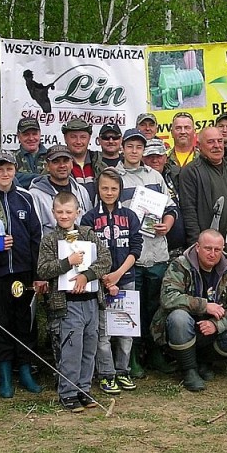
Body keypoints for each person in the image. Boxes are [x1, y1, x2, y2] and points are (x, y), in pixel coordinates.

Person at [0, 151, 45, 398]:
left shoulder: (25, 198)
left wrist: (37, 272)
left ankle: (24, 370)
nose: (4, 174)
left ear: (15, 170)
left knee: (23, 322)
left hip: (22, 273)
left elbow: (36, 237)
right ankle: (3, 374)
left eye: (9, 169)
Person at [38, 192, 112, 412]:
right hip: (67, 304)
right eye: (59, 212)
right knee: (71, 348)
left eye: (68, 212)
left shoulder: (88, 235)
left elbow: (106, 259)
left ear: (77, 213)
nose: (64, 216)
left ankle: (84, 389)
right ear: (53, 213)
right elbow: (43, 269)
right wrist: (67, 263)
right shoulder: (50, 240)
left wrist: (86, 275)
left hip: (90, 300)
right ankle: (68, 392)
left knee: (90, 347)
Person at [151, 230, 227, 392]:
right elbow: (168, 298)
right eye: (207, 248)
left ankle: (203, 361)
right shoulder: (180, 265)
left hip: (209, 329)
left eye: (217, 250)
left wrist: (217, 324)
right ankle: (189, 369)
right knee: (179, 317)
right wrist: (204, 306)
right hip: (180, 328)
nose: (212, 254)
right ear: (197, 247)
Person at [117, 129, 178, 375]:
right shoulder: (114, 177)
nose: (134, 151)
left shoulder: (155, 176)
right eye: (130, 146)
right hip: (131, 256)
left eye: (138, 147)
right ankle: (131, 357)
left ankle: (154, 354)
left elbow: (171, 207)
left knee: (155, 308)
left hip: (156, 253)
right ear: (122, 148)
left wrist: (168, 224)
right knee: (130, 308)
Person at [81, 168, 143, 394]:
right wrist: (105, 277)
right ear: (98, 189)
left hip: (125, 278)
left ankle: (123, 370)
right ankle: (107, 374)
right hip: (100, 281)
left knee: (126, 329)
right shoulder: (89, 218)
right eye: (105, 188)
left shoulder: (130, 216)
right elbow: (86, 252)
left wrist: (118, 274)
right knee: (103, 331)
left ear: (120, 190)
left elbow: (136, 248)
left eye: (114, 188)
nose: (109, 192)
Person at [179, 126, 227, 269]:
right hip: (211, 249)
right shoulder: (190, 172)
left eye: (220, 141)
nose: (217, 146)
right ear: (199, 146)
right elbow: (188, 211)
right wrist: (196, 246)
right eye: (210, 142)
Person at [29, 144, 93, 237]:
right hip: (50, 248)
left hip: (81, 248)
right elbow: (35, 232)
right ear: (47, 166)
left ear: (71, 164)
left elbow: (88, 223)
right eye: (56, 161)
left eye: (66, 161)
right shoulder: (35, 194)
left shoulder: (81, 191)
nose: (62, 165)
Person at [144, 138, 185, 256]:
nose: (155, 160)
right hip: (150, 249)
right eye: (150, 156)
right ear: (143, 158)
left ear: (166, 157)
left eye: (159, 156)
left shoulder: (178, 176)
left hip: (179, 248)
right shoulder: (138, 179)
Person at [62, 117, 106, 203]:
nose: (78, 142)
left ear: (89, 138)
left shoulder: (101, 162)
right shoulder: (57, 165)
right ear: (65, 138)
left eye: (83, 137)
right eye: (73, 137)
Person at [14, 116, 48, 187]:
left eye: (34, 134)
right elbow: (11, 179)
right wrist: (43, 178)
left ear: (40, 134)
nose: (31, 138)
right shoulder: (12, 158)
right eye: (26, 134)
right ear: (18, 136)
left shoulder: (51, 156)